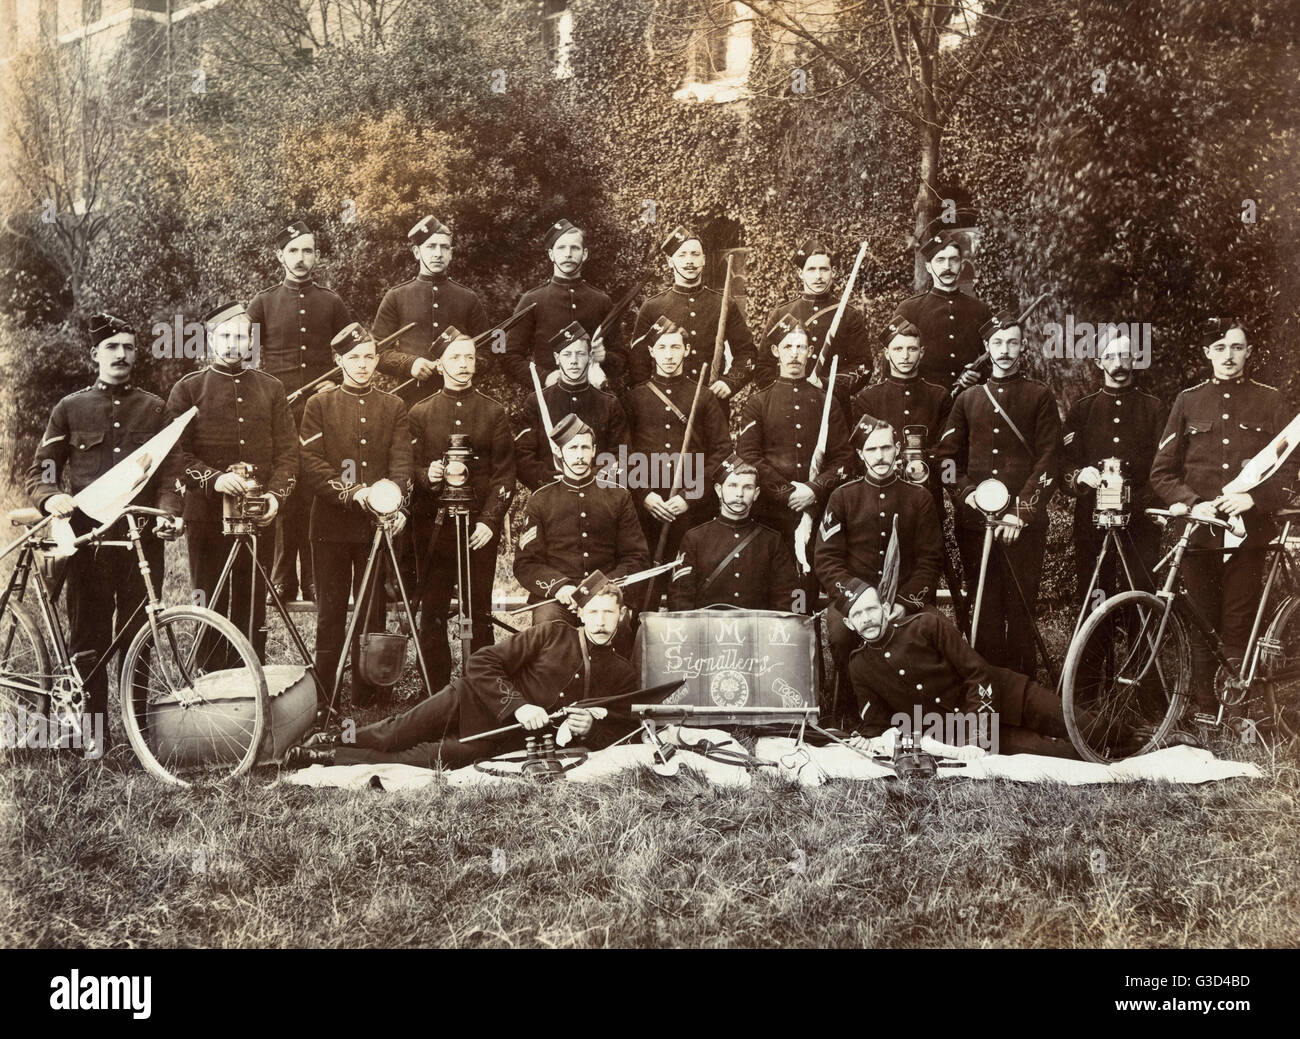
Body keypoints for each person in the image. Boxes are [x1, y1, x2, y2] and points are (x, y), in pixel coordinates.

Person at [26, 313, 184, 756]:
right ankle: (92, 733)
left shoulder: (154, 408)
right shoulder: (70, 408)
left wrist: (170, 512)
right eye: (111, 347)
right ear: (94, 354)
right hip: (87, 541)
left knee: (140, 633)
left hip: (139, 538)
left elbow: (173, 469)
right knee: (89, 636)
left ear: (136, 354)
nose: (121, 355)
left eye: (128, 347)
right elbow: (42, 470)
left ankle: (138, 732)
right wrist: (50, 497)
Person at [284, 577, 638, 770]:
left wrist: (591, 730)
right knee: (394, 731)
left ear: (621, 615)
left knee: (421, 759)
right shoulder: (552, 634)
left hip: (501, 741)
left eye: (609, 613)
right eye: (594, 612)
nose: (602, 622)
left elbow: (622, 733)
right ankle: (333, 737)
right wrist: (519, 706)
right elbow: (481, 663)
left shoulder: (622, 674)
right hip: (470, 699)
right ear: (581, 614)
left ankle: (325, 758)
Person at [839, 580, 1184, 757]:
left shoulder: (926, 625)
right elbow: (877, 725)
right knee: (1056, 754)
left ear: (885, 608)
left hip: (1005, 696)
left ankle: (1152, 741)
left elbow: (978, 673)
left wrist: (977, 727)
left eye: (871, 609)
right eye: (857, 615)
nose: (867, 619)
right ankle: (1126, 748)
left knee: (1085, 727)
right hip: (962, 733)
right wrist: (869, 741)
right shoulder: (860, 666)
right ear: (849, 624)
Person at [1150, 318, 1294, 714]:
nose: (1228, 356)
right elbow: (1162, 471)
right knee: (1200, 623)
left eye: (1236, 347)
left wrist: (1256, 499)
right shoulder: (1188, 401)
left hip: (1249, 533)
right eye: (1219, 348)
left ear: (1249, 352)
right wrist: (1192, 501)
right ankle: (1202, 709)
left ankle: (1234, 712)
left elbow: (1288, 468)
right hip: (1199, 533)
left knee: (1238, 619)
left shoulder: (1271, 401)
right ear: (1206, 353)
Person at [167, 302, 298, 662]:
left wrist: (274, 497)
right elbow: (175, 453)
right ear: (210, 339)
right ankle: (210, 682)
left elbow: (289, 453)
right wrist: (215, 479)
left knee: (251, 599)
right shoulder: (189, 389)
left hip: (258, 515)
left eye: (240, 336)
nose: (232, 344)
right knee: (209, 598)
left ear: (251, 341)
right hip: (206, 516)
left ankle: (249, 679)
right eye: (225, 336)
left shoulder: (271, 389)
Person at [936, 310, 1060, 676]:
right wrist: (966, 494)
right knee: (984, 608)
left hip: (1023, 525)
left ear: (1023, 347)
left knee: (1020, 610)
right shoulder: (969, 399)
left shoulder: (1040, 396)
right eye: (997, 343)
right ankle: (989, 693)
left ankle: (1024, 690)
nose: (1005, 350)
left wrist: (1020, 513)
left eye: (1012, 342)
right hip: (977, 525)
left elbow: (1050, 461)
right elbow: (945, 459)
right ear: (987, 348)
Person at [299, 323, 413, 709]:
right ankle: (325, 698)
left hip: (375, 529)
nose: (362, 365)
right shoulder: (319, 405)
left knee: (372, 614)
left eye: (368, 357)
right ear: (338, 361)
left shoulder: (394, 406)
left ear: (378, 360)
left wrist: (395, 502)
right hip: (330, 527)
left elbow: (402, 463)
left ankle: (371, 695)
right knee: (330, 616)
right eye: (353, 358)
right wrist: (354, 493)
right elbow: (311, 465)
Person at [248, 219, 353, 602]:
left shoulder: (331, 301)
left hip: (322, 411)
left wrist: (336, 383)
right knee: (282, 489)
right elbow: (245, 358)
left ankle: (313, 577)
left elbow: (353, 354)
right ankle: (281, 576)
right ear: (279, 256)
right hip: (277, 412)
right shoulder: (262, 302)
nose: (301, 258)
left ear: (317, 255)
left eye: (308, 250)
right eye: (293, 251)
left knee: (315, 489)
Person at [407, 327, 516, 688]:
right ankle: (434, 688)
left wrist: (490, 521)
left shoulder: (493, 411)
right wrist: (429, 475)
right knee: (433, 610)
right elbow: (409, 467)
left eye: (469, 357)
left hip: (477, 531)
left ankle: (482, 685)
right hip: (433, 527)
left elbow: (505, 474)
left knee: (479, 610)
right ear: (439, 363)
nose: (464, 364)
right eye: (455, 357)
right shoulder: (420, 413)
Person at [737, 314, 851, 601]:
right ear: (776, 352)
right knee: (768, 589)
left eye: (801, 347)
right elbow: (748, 458)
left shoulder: (827, 401)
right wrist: (788, 493)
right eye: (788, 347)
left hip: (817, 511)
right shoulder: (758, 402)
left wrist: (814, 490)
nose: (795, 354)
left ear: (811, 352)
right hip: (770, 515)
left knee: (807, 589)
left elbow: (845, 460)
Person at [815, 415, 944, 667]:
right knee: (841, 637)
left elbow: (930, 560)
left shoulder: (920, 498)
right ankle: (852, 702)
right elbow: (826, 559)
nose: (879, 456)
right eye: (871, 449)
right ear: (861, 455)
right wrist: (857, 599)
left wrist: (903, 604)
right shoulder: (842, 497)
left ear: (897, 450)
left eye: (885, 447)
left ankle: (916, 698)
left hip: (902, 597)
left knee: (937, 630)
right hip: (854, 599)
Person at [623, 316, 733, 594]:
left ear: (686, 350)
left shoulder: (704, 396)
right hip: (647, 512)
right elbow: (623, 453)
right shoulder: (634, 398)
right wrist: (644, 495)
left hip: (693, 512)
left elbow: (722, 452)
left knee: (691, 586)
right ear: (651, 352)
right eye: (661, 348)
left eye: (675, 347)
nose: (669, 355)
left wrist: (689, 496)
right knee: (645, 588)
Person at [1061, 327, 1166, 603]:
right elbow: (1064, 463)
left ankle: (1142, 648)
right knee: (1095, 590)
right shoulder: (1082, 410)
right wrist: (1080, 475)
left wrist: (1146, 502)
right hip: (1092, 517)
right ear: (1098, 362)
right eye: (1110, 356)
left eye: (1125, 355)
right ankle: (1097, 648)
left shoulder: (1153, 409)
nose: (1118, 364)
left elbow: (1165, 464)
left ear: (1135, 358)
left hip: (1142, 516)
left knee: (1141, 589)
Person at [513, 415, 650, 627]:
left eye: (585, 448)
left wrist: (601, 589)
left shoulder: (618, 496)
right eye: (572, 448)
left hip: (606, 596)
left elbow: (636, 557)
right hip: (557, 600)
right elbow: (526, 563)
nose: (580, 456)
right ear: (559, 451)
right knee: (548, 624)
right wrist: (560, 587)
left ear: (594, 450)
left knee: (619, 623)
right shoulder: (540, 500)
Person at [629, 226, 757, 401]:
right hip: (667, 408)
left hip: (711, 404)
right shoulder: (652, 307)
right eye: (682, 255)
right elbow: (638, 366)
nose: (689, 261)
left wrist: (729, 382)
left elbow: (747, 353)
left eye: (695, 254)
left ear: (704, 259)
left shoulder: (724, 304)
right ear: (670, 262)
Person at [374, 214, 489, 406]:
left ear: (451, 253)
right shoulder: (396, 296)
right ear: (417, 252)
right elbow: (376, 351)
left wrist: (461, 366)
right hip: (411, 400)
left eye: (444, 247)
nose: (438, 254)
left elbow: (491, 349)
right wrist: (410, 364)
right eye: (431, 246)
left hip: (461, 400)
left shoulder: (468, 297)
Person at [502, 218, 624, 393]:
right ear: (551, 254)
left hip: (594, 400)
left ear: (585, 253)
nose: (568, 254)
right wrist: (545, 377)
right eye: (561, 248)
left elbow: (621, 357)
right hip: (549, 400)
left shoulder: (601, 301)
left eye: (575, 248)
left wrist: (605, 358)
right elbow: (510, 357)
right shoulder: (532, 300)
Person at [668, 455, 798, 611]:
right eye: (732, 486)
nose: (740, 494)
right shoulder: (694, 538)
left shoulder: (772, 540)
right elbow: (680, 597)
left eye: (747, 487)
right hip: (706, 630)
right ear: (718, 490)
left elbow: (786, 595)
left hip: (758, 630)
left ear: (756, 494)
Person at [513, 321, 628, 490]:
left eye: (580, 354)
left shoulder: (609, 403)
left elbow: (622, 455)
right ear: (557, 358)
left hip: (598, 494)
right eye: (567, 355)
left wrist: (594, 481)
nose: (574, 361)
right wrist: (550, 481)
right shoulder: (537, 401)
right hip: (551, 495)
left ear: (590, 358)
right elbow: (523, 457)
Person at [849, 317, 951, 504]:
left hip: (927, 495)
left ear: (921, 353)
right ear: (887, 354)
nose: (905, 356)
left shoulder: (939, 396)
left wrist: (925, 464)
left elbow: (948, 449)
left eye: (912, 349)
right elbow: (860, 453)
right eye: (898, 349)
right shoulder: (868, 399)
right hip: (881, 496)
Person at [759, 239, 871, 400]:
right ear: (800, 273)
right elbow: (763, 366)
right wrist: (785, 394)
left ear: (833, 272)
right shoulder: (781, 313)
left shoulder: (849, 315)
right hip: (787, 405)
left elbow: (863, 366)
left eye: (824, 269)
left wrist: (826, 384)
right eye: (811, 269)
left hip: (832, 405)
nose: (818, 276)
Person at [893, 224, 992, 392]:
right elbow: (892, 362)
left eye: (953, 260)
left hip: (968, 400)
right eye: (940, 260)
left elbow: (993, 358)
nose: (947, 266)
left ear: (961, 266)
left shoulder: (980, 310)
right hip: (924, 403)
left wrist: (978, 374)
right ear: (929, 267)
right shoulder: (909, 309)